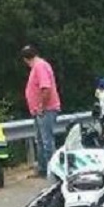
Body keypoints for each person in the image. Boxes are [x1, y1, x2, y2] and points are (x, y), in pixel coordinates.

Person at [21, 44, 61, 178]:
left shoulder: (40, 67)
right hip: (40, 110)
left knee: (46, 141)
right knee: (41, 140)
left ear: (25, 59)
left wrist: (41, 106)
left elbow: (46, 88)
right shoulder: (39, 66)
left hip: (46, 110)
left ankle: (53, 170)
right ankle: (43, 169)